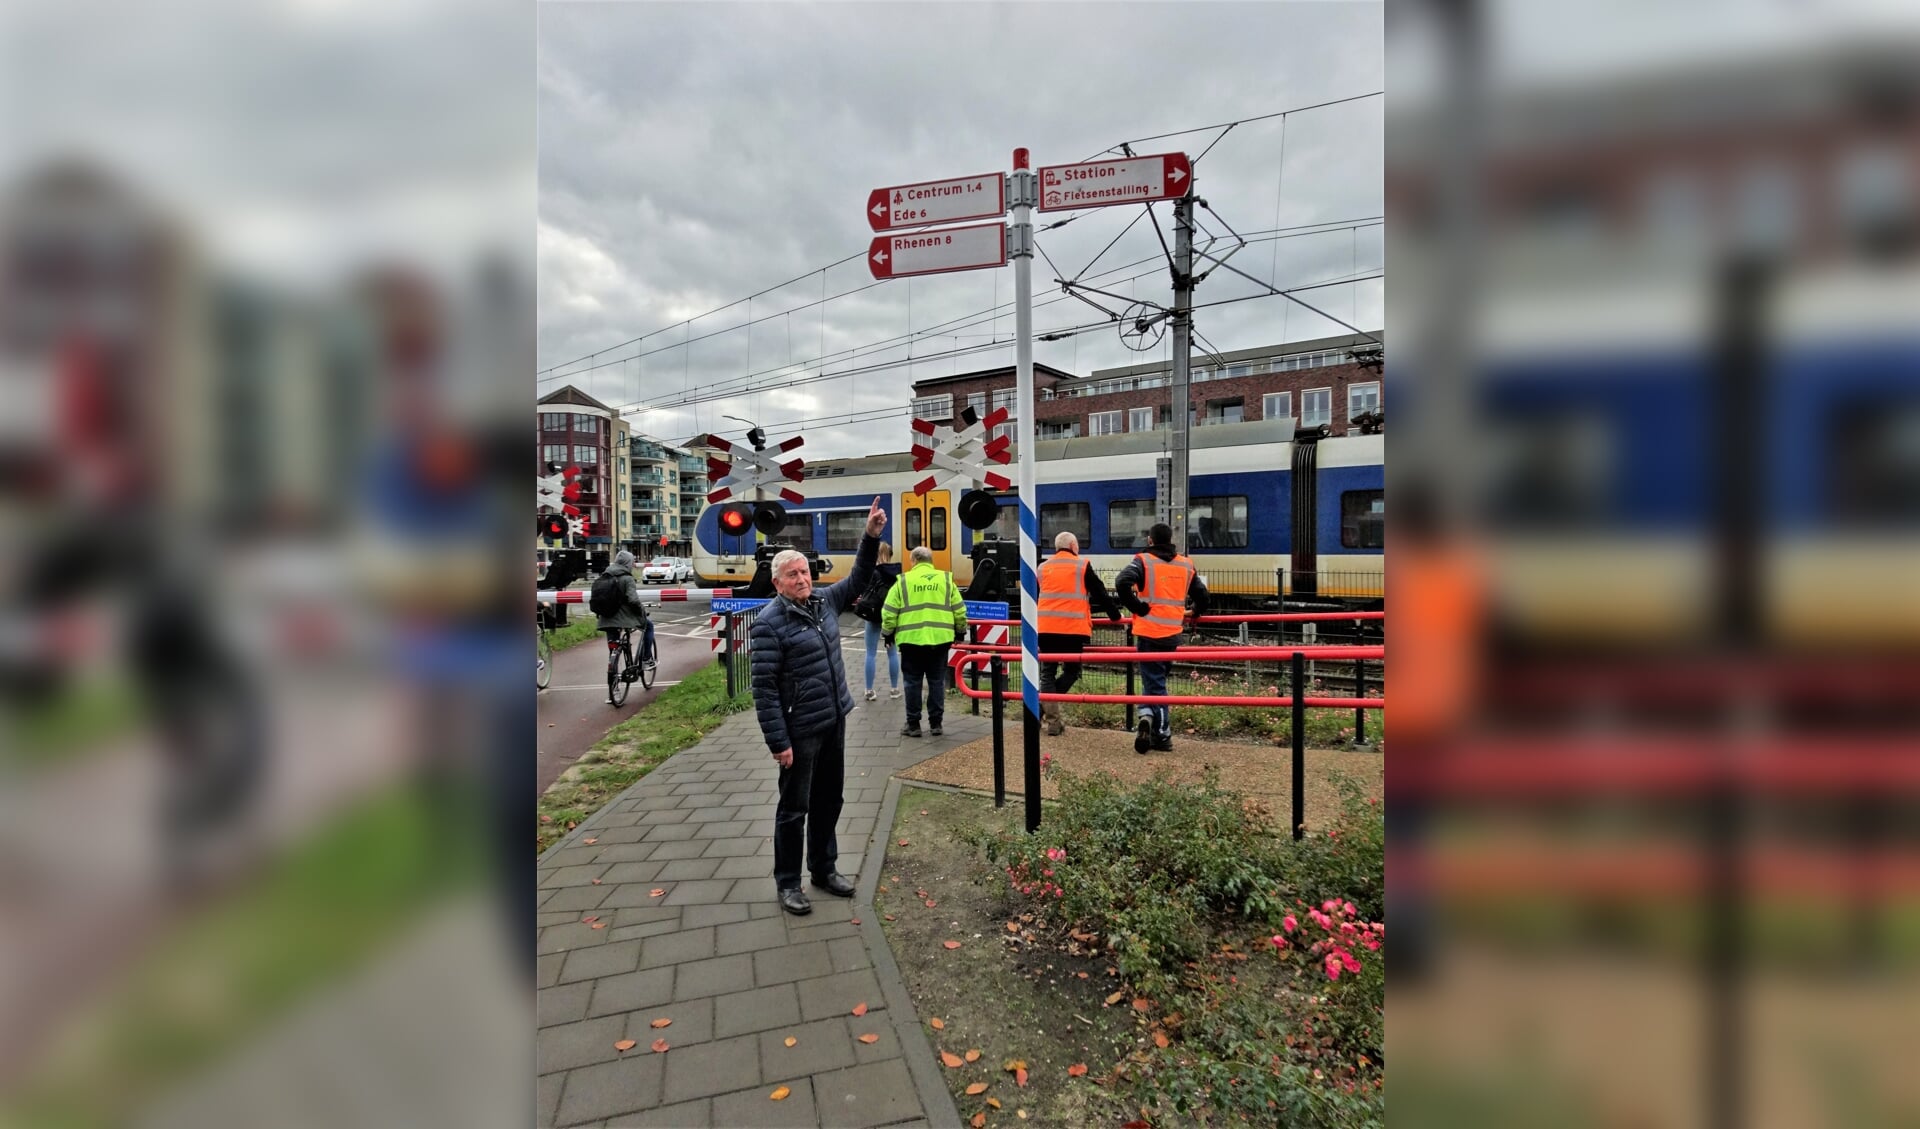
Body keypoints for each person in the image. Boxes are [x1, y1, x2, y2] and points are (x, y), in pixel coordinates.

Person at [750, 496, 886, 916]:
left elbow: (860, 577)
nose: (801, 579)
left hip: (833, 721)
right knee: (794, 810)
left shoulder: (823, 604)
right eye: (792, 575)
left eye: (804, 572)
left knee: (830, 801)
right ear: (777, 583)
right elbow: (764, 690)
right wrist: (779, 742)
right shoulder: (769, 624)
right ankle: (788, 883)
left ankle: (824, 869)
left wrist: (869, 537)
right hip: (798, 731)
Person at [1115, 522, 1209, 753]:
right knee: (1156, 681)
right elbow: (1203, 595)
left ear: (1150, 540)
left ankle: (1163, 734)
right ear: (1171, 539)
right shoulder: (1186, 565)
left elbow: (1121, 582)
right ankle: (1147, 717)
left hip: (1148, 633)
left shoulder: (1144, 561)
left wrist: (1138, 608)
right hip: (1172, 634)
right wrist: (1195, 612)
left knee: (1155, 685)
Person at [1035, 531, 1123, 736]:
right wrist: (1115, 615)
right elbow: (1100, 592)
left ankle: (1047, 713)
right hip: (1072, 630)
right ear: (1073, 546)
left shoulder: (1043, 568)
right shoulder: (1082, 565)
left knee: (1047, 672)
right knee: (1072, 672)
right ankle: (1049, 715)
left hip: (1046, 628)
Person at [881, 545, 968, 739]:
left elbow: (889, 612)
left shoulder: (903, 581)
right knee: (936, 682)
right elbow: (960, 610)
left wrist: (888, 634)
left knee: (912, 682)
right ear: (931, 561)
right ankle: (936, 724)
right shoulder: (945, 579)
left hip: (911, 642)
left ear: (913, 561)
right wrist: (960, 631)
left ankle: (913, 725)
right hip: (940, 641)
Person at [593, 549, 654, 702]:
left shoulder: (604, 576)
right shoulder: (627, 579)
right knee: (649, 626)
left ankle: (612, 692)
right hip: (625, 619)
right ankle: (647, 658)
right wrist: (641, 611)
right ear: (628, 563)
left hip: (606, 619)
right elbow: (633, 600)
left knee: (613, 651)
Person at [855, 541, 903, 701]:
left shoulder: (872, 572)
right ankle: (895, 689)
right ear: (889, 555)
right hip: (890, 616)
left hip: (873, 615)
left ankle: (869, 690)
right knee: (892, 652)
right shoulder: (897, 573)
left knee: (870, 653)